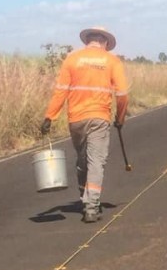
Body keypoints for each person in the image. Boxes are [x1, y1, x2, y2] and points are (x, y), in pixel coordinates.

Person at [40, 26, 129, 223]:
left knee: (82, 161)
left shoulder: (72, 59)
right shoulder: (112, 61)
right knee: (96, 161)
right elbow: (122, 94)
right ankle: (91, 206)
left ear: (88, 40)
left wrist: (49, 117)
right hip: (99, 117)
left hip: (76, 119)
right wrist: (120, 118)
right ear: (105, 42)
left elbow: (61, 90)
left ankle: (85, 197)